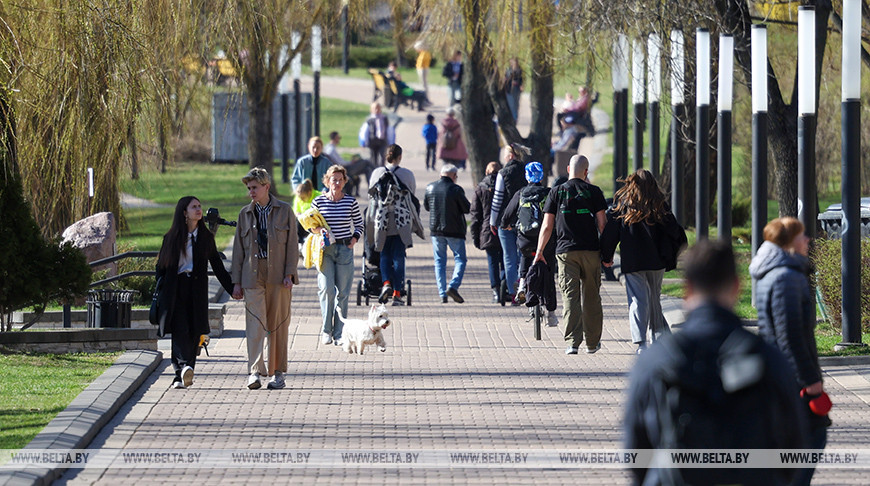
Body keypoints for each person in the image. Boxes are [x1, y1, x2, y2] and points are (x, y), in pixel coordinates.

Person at [625, 240, 807, 486]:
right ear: (736, 287)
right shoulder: (768, 359)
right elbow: (794, 443)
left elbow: (636, 450)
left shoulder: (656, 360)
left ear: (688, 289)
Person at [749, 217, 831, 486]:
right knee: (811, 440)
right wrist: (812, 383)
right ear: (788, 242)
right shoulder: (786, 277)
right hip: (792, 381)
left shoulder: (768, 272)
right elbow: (791, 336)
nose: (807, 240)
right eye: (802, 235)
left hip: (776, 376)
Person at [155, 196, 235, 389]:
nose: (199, 210)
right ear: (184, 212)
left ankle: (185, 371)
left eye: (199, 206)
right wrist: (161, 289)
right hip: (176, 288)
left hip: (197, 289)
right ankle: (181, 370)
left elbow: (217, 265)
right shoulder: (172, 237)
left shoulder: (205, 237)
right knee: (180, 329)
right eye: (194, 207)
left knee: (194, 330)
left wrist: (232, 289)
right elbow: (161, 268)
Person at [231, 168, 299, 390]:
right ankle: (255, 372)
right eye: (249, 188)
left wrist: (289, 274)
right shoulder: (244, 214)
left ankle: (277, 373)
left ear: (266, 187)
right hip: (252, 276)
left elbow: (292, 246)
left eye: (254, 187)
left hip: (278, 275)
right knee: (255, 325)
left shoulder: (285, 211)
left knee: (277, 325)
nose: (251, 192)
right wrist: (236, 282)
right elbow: (238, 250)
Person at [533, 155, 608, 354]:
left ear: (568, 169)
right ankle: (592, 343)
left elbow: (547, 226)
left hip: (565, 252)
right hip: (591, 251)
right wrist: (607, 253)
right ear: (586, 171)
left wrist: (539, 251)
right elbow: (602, 224)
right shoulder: (594, 192)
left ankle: (573, 342)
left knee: (570, 296)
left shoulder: (556, 192)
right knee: (592, 297)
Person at [600, 169, 674, 354]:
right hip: (656, 262)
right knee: (654, 299)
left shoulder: (624, 206)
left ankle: (641, 342)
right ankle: (658, 338)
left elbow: (610, 234)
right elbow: (675, 232)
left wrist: (606, 256)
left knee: (637, 300)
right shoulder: (660, 206)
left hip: (633, 262)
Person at [310, 165, 364, 345]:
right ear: (327, 181)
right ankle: (326, 330)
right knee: (326, 290)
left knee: (343, 293)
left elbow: (359, 224)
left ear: (345, 182)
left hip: (344, 249)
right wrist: (320, 231)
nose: (337, 183)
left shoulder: (350, 202)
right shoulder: (318, 202)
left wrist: (354, 240)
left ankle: (340, 332)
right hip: (325, 251)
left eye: (340, 180)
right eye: (334, 179)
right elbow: (311, 225)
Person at [501, 162, 558, 326]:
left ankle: (522, 286)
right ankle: (552, 314)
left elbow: (507, 215)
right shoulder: (549, 193)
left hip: (525, 239)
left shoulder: (521, 193)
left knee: (525, 259)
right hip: (546, 240)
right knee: (549, 273)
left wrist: (506, 224)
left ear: (527, 176)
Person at [367, 144, 420, 306]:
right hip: (400, 220)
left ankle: (386, 283)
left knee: (384, 254)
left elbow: (371, 195)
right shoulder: (407, 174)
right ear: (400, 157)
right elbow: (412, 195)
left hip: (381, 220)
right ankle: (397, 293)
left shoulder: (377, 173)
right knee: (398, 256)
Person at [489, 143, 529, 303]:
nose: (504, 158)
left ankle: (512, 292)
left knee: (509, 258)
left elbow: (497, 199)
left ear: (511, 156)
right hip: (524, 220)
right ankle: (523, 287)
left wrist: (493, 221)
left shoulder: (503, 173)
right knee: (522, 256)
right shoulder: (527, 171)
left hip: (505, 221)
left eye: (505, 155)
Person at [425, 164, 471, 303]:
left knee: (439, 261)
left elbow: (427, 207)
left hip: (436, 230)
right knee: (460, 259)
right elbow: (466, 208)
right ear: (454, 175)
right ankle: (453, 286)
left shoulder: (430, 187)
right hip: (455, 230)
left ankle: (442, 293)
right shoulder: (456, 189)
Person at [470, 161, 504, 303]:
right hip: (503, 228)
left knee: (492, 261)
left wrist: (475, 236)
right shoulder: (504, 186)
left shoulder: (480, 188)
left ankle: (496, 291)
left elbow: (475, 214)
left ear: (486, 172)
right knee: (505, 259)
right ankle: (505, 287)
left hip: (486, 230)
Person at [324, 131, 372, 195]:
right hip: (345, 169)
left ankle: (371, 187)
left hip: (345, 167)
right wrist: (351, 162)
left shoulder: (329, 147)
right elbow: (340, 163)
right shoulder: (331, 149)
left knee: (367, 169)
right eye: (339, 138)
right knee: (366, 162)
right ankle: (373, 182)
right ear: (335, 138)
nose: (339, 139)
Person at [292, 179, 320, 246]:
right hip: (303, 221)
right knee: (297, 222)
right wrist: (299, 215)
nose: (301, 199)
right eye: (300, 197)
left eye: (303, 197)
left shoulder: (318, 196)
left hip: (315, 220)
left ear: (309, 192)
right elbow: (296, 210)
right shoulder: (298, 198)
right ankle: (299, 242)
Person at [362, 102, 390, 167]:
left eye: (378, 108)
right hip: (372, 141)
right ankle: (374, 170)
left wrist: (390, 141)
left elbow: (388, 130)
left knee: (382, 157)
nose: (377, 110)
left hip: (382, 141)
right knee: (373, 158)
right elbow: (365, 132)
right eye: (375, 108)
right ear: (371, 110)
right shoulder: (369, 120)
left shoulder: (384, 118)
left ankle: (381, 171)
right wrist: (364, 142)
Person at [503, 57, 523, 122]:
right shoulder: (508, 70)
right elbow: (506, 79)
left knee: (516, 105)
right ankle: (511, 119)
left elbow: (520, 80)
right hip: (509, 90)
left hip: (516, 90)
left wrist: (519, 85)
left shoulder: (519, 70)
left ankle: (515, 119)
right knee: (510, 105)